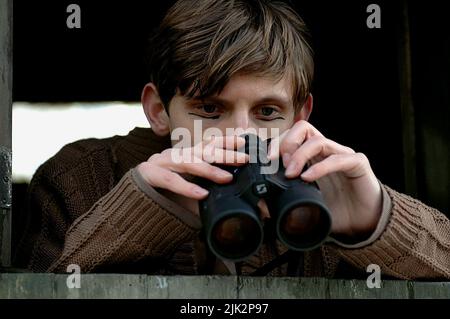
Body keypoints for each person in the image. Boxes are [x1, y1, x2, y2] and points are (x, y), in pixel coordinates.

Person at [15, 0, 450, 279]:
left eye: (267, 112)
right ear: (158, 110)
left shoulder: (322, 185)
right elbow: (38, 286)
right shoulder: (80, 175)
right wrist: (139, 213)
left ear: (301, 118)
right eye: (210, 109)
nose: (242, 133)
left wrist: (375, 220)